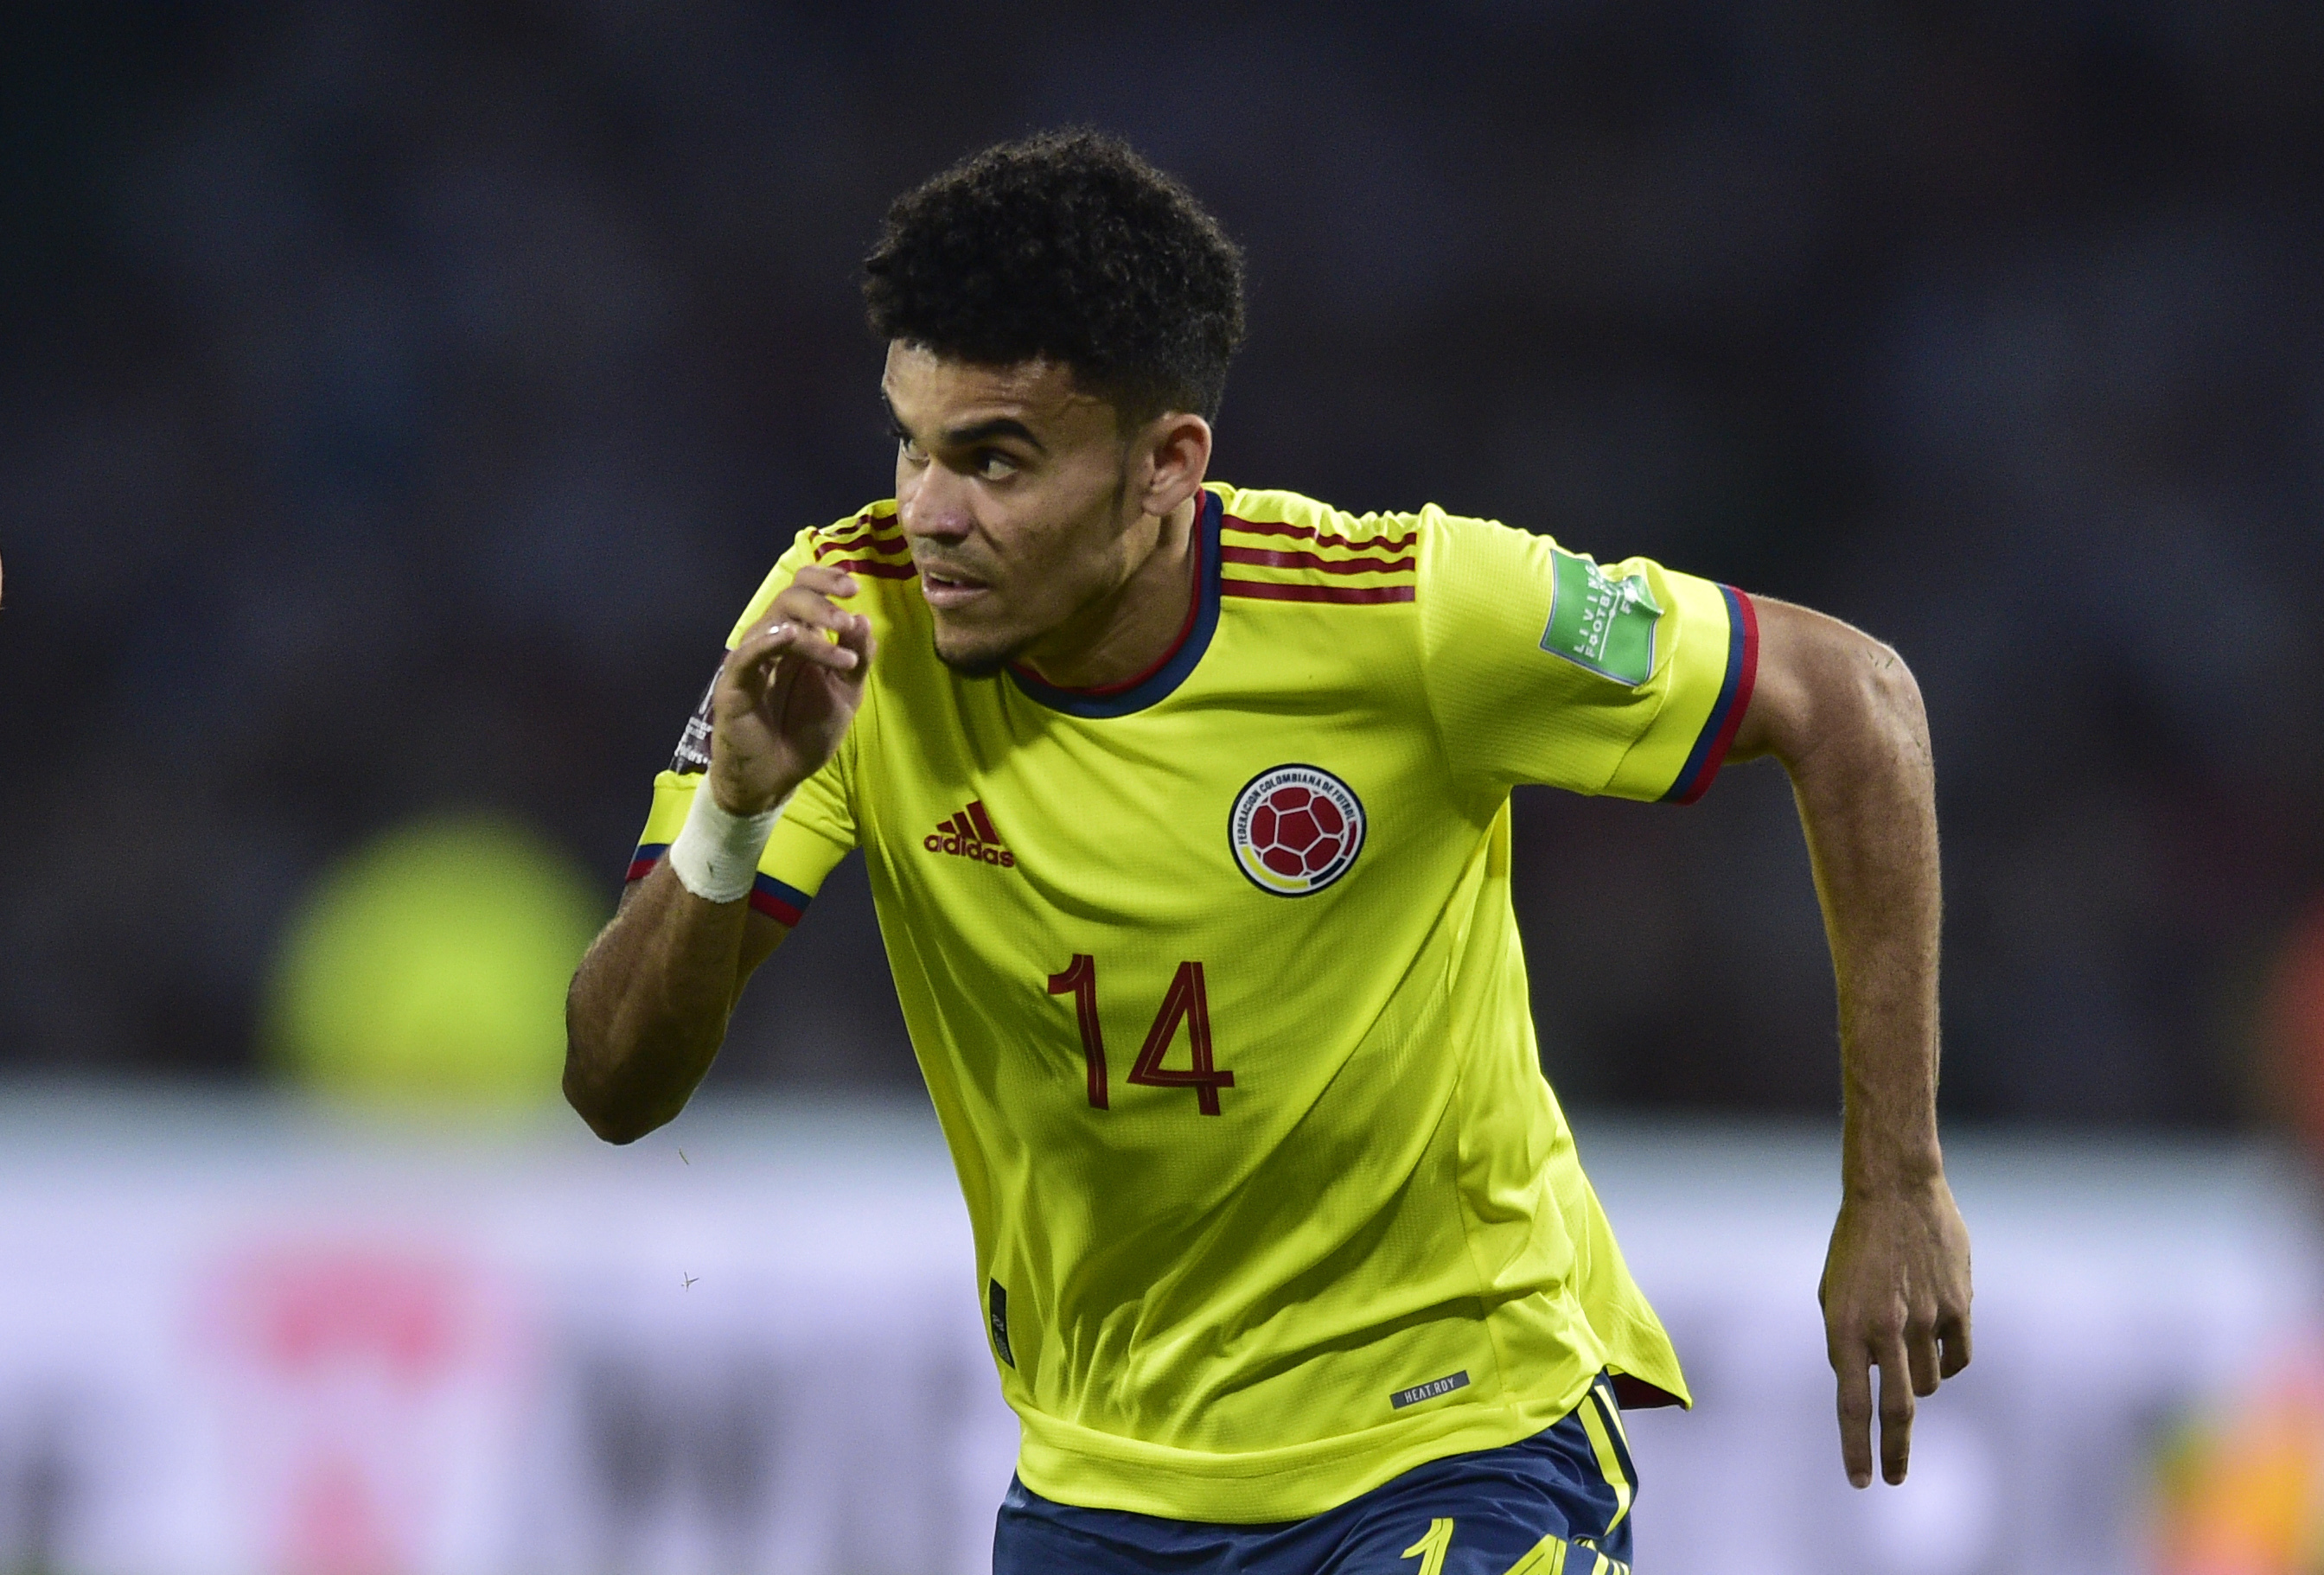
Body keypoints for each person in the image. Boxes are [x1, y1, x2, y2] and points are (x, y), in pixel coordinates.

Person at [565, 131, 1971, 1573]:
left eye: (995, 459)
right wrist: (733, 816)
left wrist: (1897, 1181)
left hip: (1453, 1435)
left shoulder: (1407, 614)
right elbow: (614, 1086)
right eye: (911, 443)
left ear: (1169, 464)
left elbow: (1852, 699)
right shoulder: (845, 627)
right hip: (1100, 1483)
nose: (931, 512)